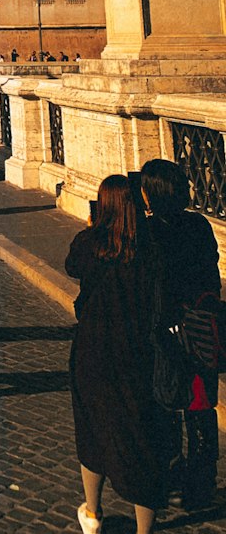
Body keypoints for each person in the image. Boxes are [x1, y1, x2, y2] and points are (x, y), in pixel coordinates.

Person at [65, 174, 169, 534]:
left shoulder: (89, 243)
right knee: (141, 440)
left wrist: (93, 228)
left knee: (92, 430)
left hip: (93, 350)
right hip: (138, 352)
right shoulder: (151, 246)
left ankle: (92, 513)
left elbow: (71, 267)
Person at [140, 157, 221, 509]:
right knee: (201, 406)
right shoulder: (199, 225)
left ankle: (172, 480)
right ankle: (202, 483)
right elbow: (211, 274)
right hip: (202, 326)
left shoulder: (149, 232)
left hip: (167, 329)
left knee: (168, 404)